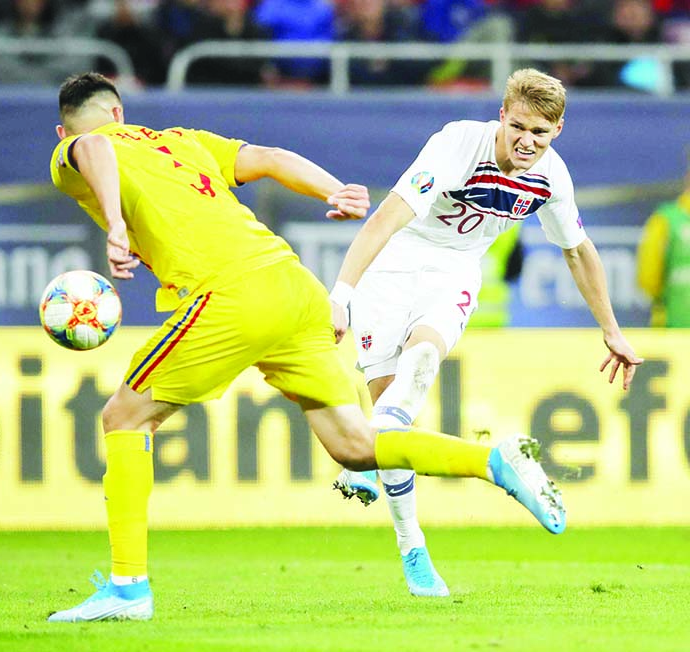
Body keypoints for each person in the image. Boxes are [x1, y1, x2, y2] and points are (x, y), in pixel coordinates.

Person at [45, 71, 567, 623]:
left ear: (63, 132)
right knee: (357, 446)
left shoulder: (73, 151)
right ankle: (494, 461)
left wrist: (117, 223)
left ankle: (128, 589)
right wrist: (332, 189)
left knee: (124, 417)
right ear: (123, 111)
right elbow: (268, 156)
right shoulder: (181, 140)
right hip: (294, 288)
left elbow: (94, 146)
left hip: (230, 294)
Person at [329, 68, 642, 599]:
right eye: (518, 126)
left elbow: (578, 250)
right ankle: (413, 548)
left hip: (454, 269)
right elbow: (387, 217)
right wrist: (341, 294)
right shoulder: (457, 144)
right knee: (392, 415)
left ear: (558, 130)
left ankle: (367, 457)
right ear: (501, 115)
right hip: (393, 264)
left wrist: (611, 329)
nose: (527, 141)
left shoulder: (551, 178)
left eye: (540, 133)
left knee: (424, 356)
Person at [636, 155, 690, 327]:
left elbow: (648, 279)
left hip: (673, 326)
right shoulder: (665, 220)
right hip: (673, 328)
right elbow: (648, 278)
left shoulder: (665, 219)